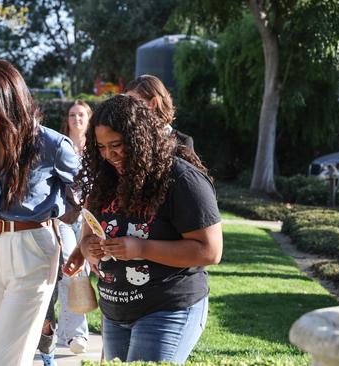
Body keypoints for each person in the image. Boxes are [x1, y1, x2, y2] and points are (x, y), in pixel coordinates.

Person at [64, 94, 223, 363]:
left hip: (167, 308)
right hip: (115, 312)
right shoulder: (106, 177)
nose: (109, 154)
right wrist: (85, 247)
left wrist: (141, 248)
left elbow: (210, 251)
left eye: (116, 145)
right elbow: (91, 228)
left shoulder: (181, 179)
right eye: (101, 147)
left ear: (140, 139)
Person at [0, 60, 80, 365]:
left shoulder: (53, 145)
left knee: (4, 358)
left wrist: (66, 218)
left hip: (32, 250)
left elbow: (82, 198)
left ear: (8, 102)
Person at [37, 101, 92, 365]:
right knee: (72, 267)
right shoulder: (60, 146)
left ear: (89, 119)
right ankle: (75, 335)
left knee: (85, 272)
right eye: (72, 114)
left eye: (81, 114)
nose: (76, 118)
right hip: (65, 218)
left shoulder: (97, 149)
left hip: (91, 217)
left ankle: (75, 331)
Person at [124, 74, 194, 151]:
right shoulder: (126, 137)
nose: (128, 108)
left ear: (153, 103)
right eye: (126, 103)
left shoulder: (182, 142)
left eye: (134, 103)